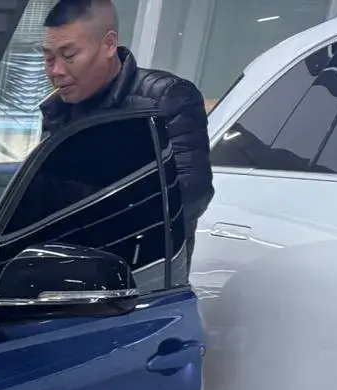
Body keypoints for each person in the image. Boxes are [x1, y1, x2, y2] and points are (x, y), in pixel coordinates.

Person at [38, 0, 213, 239]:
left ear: (109, 44)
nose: (56, 70)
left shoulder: (164, 98)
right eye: (49, 59)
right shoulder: (57, 109)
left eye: (69, 56)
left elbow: (190, 195)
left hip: (141, 258)